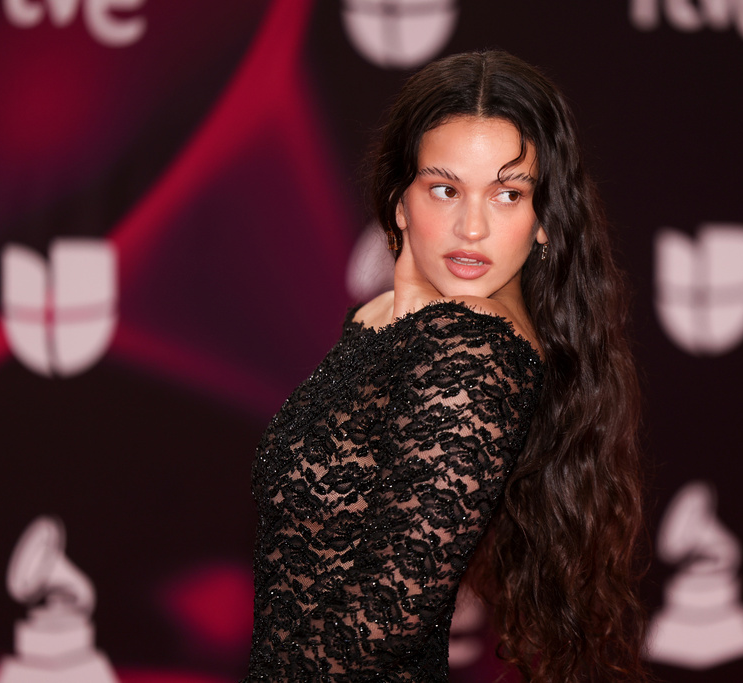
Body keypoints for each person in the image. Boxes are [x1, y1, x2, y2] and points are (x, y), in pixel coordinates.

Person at [244, 50, 645, 682]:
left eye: (508, 194)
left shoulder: (477, 352)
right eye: (444, 189)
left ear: (544, 219)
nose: (473, 227)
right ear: (399, 203)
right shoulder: (386, 321)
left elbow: (381, 624)